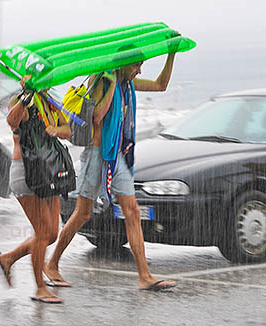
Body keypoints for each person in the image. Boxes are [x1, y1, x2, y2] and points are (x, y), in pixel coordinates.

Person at [45, 52, 178, 291]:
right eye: (137, 66)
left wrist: (172, 53)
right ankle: (52, 263)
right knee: (82, 214)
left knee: (132, 212)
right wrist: (112, 84)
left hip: (115, 155)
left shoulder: (127, 84)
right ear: (125, 64)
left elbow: (161, 85)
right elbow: (97, 116)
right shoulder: (102, 79)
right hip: (96, 155)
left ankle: (144, 276)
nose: (139, 71)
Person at [0, 75, 72, 304]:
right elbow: (12, 121)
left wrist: (55, 130)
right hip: (27, 173)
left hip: (48, 171)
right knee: (41, 233)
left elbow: (68, 129)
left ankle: (8, 259)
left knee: (51, 234)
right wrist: (25, 98)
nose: (49, 82)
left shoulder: (50, 102)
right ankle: (39, 288)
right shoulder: (23, 100)